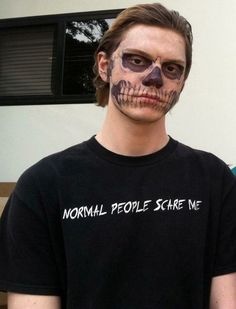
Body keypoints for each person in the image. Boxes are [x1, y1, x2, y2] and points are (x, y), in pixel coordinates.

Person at [0, 3, 236, 309]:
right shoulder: (42, 187)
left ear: (182, 83)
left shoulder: (215, 181)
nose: (154, 78)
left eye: (172, 68)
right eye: (137, 60)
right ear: (104, 65)